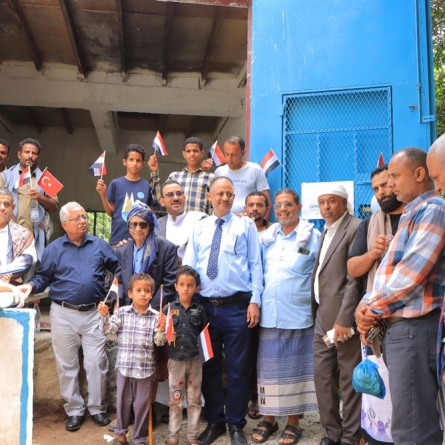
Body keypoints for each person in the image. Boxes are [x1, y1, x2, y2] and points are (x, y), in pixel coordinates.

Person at [355, 148, 445, 444]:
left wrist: (370, 309)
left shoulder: (433, 209)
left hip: (413, 331)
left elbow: (411, 276)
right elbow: (391, 275)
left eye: (394, 176)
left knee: (413, 428)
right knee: (410, 421)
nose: (389, 183)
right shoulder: (412, 214)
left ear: (419, 175)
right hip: (402, 331)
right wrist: (367, 306)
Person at [18, 202, 119, 432]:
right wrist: (29, 286)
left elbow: (118, 270)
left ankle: (97, 408)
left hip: (94, 313)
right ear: (65, 224)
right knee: (67, 365)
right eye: (78, 218)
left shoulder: (99, 245)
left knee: (97, 363)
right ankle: (74, 410)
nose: (83, 220)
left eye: (84, 216)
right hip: (62, 313)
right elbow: (43, 277)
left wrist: (111, 299)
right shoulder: (54, 249)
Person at [183, 176, 263, 445]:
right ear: (209, 196)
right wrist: (189, 305)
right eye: (220, 194)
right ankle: (215, 421)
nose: (225, 198)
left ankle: (236, 425)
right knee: (209, 367)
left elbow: (255, 265)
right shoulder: (200, 227)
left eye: (230, 193)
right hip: (205, 309)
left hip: (237, 307)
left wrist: (255, 301)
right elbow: (189, 267)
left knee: (239, 368)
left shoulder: (246, 225)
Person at [251, 189, 320, 445]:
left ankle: (293, 421)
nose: (282, 210)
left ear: (299, 207)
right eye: (278, 205)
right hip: (270, 314)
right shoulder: (267, 238)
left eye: (288, 205)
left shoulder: (313, 237)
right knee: (268, 372)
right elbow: (257, 274)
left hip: (299, 314)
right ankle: (268, 418)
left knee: (297, 371)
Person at [347, 165, 404, 445]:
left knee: (406, 389)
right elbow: (353, 268)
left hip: (409, 319)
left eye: (386, 185)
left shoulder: (417, 218)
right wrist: (373, 253)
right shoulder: (369, 224)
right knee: (377, 386)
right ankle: (376, 436)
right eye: (376, 189)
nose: (382, 192)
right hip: (372, 321)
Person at [311, 184, 362, 445]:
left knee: (349, 379)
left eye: (332, 201)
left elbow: (355, 280)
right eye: (322, 202)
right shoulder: (326, 230)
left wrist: (345, 319)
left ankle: (351, 437)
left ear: (344, 203)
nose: (326, 207)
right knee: (322, 376)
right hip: (322, 317)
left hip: (343, 320)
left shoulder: (354, 227)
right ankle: (332, 433)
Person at [98, 272, 165, 445]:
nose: (143, 294)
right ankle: (121, 435)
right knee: (122, 401)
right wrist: (105, 316)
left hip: (145, 369)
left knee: (141, 405)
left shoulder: (156, 317)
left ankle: (139, 438)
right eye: (139, 290)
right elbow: (107, 330)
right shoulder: (122, 313)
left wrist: (163, 328)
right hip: (125, 367)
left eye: (147, 290)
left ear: (151, 294)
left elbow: (159, 341)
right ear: (130, 293)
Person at [161, 266, 207, 445]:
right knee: (175, 400)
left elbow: (205, 334)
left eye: (190, 285)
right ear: (176, 286)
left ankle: (192, 436)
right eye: (182, 284)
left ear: (197, 288)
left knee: (194, 401)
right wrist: (167, 335)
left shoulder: (200, 310)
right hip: (175, 361)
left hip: (195, 360)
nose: (185, 288)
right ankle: (173, 437)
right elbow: (159, 335)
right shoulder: (169, 308)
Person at [115, 201, 178, 310]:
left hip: (155, 310)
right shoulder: (122, 250)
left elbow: (169, 284)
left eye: (143, 225)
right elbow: (119, 282)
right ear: (128, 227)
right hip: (128, 310)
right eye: (133, 224)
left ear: (150, 226)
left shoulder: (166, 248)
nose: (138, 228)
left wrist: (148, 308)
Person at [3, 138, 59, 260]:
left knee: (30, 273)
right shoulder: (6, 176)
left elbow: (54, 206)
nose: (30, 156)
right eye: (27, 152)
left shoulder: (45, 178)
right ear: (19, 155)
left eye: (34, 153)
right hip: (8, 234)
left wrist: (41, 198)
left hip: (33, 237)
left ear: (38, 157)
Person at [96, 143, 155, 248]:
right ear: (124, 162)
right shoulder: (116, 184)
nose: (134, 163)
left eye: (138, 160)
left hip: (142, 240)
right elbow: (111, 213)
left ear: (143, 164)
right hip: (118, 238)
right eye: (131, 159)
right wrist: (103, 194)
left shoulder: (148, 186)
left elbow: (151, 216)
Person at [150, 137, 214, 214]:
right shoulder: (174, 177)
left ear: (202, 153)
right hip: (177, 223)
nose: (192, 154)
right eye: (188, 151)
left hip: (200, 224)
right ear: (184, 154)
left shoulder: (209, 177)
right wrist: (154, 172)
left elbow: (212, 206)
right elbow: (159, 198)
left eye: (195, 151)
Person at [213, 136, 271, 218]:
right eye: (227, 154)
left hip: (249, 221)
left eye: (233, 155)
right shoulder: (219, 172)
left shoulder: (255, 170)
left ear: (243, 153)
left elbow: (267, 203)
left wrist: (262, 226)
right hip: (223, 220)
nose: (229, 158)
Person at [157, 180, 207, 262]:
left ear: (184, 197)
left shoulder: (199, 220)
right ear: (162, 202)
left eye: (179, 194)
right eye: (170, 195)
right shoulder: (157, 226)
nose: (176, 198)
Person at [0, 187, 36, 295]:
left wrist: (6, 271)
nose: (2, 208)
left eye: (6, 204)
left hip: (11, 290)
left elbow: (27, 259)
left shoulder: (24, 234)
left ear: (13, 207)